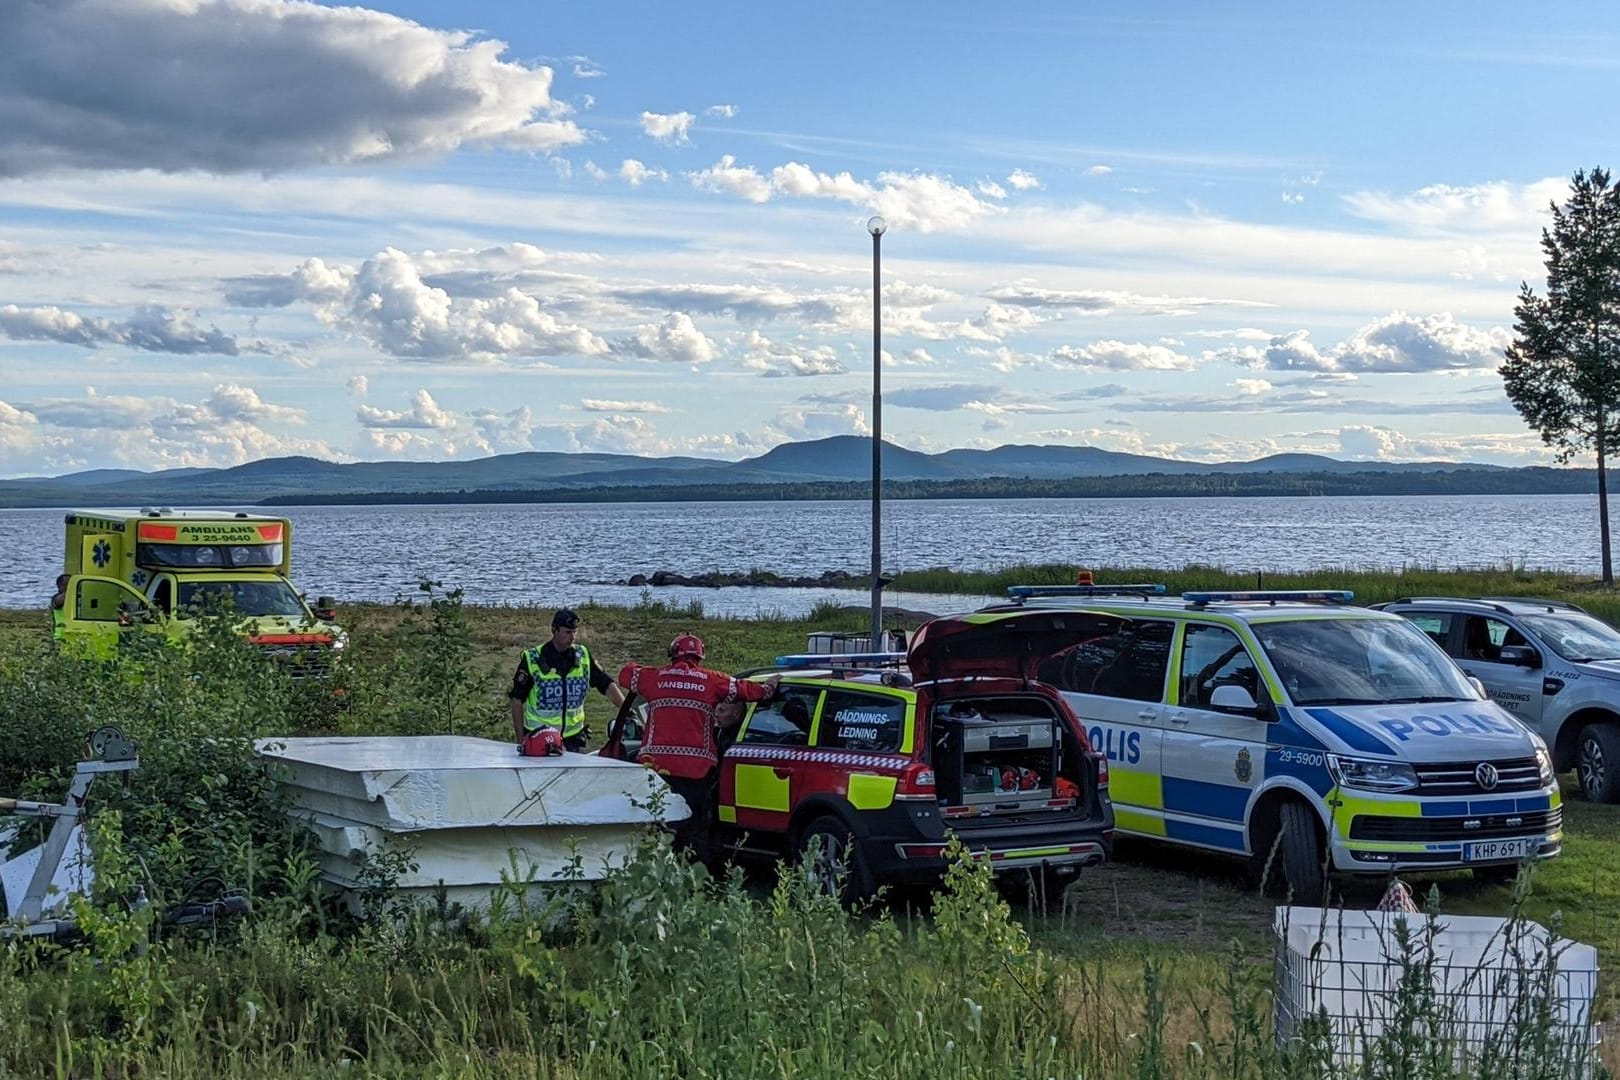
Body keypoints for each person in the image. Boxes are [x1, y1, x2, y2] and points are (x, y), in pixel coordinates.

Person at [617, 633, 779, 860]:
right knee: (694, 830)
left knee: (656, 826)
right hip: (696, 772)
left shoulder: (654, 677)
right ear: (700, 657)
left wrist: (648, 669)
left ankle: (656, 875)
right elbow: (747, 691)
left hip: (657, 771)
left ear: (673, 655)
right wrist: (769, 688)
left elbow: (625, 674)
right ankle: (695, 881)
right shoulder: (711, 680)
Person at [508, 608, 625, 753]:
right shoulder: (533, 659)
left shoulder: (582, 656)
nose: (573, 637)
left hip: (572, 739)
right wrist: (520, 741)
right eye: (567, 632)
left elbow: (606, 685)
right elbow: (516, 700)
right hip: (539, 738)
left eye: (574, 632)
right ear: (554, 630)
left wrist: (627, 711)